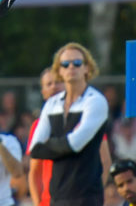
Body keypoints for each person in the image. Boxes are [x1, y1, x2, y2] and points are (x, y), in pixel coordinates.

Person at [29, 42, 109, 206]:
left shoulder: (95, 101)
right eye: (65, 64)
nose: (71, 67)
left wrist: (50, 146)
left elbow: (76, 144)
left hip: (87, 196)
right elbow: (35, 149)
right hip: (56, 197)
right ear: (59, 70)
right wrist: (65, 145)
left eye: (77, 63)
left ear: (87, 68)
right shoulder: (52, 104)